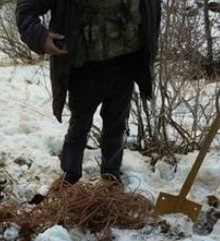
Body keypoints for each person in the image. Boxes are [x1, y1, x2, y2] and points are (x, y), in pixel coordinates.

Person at [16, 0, 161, 184]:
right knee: (79, 126)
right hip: (85, 67)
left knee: (116, 126)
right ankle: (69, 180)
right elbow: (26, 10)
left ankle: (110, 179)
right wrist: (40, 37)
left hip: (126, 63)